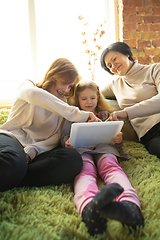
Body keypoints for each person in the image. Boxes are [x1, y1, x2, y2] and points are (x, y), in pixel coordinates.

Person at [0, 58, 101, 192]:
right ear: (53, 75)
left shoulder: (63, 105)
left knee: (73, 160)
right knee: (13, 161)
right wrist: (81, 114)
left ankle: (15, 174)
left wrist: (31, 152)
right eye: (64, 83)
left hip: (36, 152)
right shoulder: (28, 86)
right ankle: (15, 171)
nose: (66, 89)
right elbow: (33, 94)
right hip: (11, 139)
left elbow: (55, 138)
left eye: (70, 86)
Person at [61, 80, 144, 236]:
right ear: (77, 100)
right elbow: (65, 135)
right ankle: (89, 207)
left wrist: (118, 140)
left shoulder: (106, 115)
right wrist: (67, 142)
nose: (88, 102)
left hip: (104, 148)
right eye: (84, 98)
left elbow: (116, 138)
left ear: (98, 97)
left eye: (92, 98)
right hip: (81, 149)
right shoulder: (72, 115)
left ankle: (130, 206)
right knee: (84, 171)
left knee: (111, 166)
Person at [100, 41, 160, 159]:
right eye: (109, 66)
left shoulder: (154, 70)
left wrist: (126, 113)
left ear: (127, 54)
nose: (113, 66)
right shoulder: (115, 84)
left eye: (114, 59)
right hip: (150, 134)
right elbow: (93, 91)